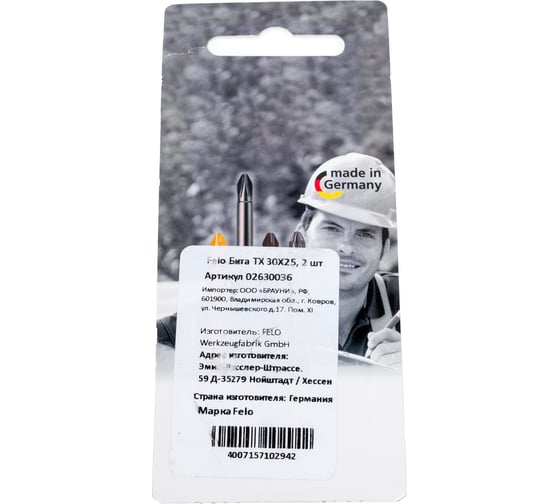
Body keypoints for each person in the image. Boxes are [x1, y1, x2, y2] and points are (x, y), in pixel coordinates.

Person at [295, 152, 401, 367]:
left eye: (365, 234)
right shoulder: (264, 304)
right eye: (332, 229)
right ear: (303, 234)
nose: (346, 247)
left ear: (384, 249)